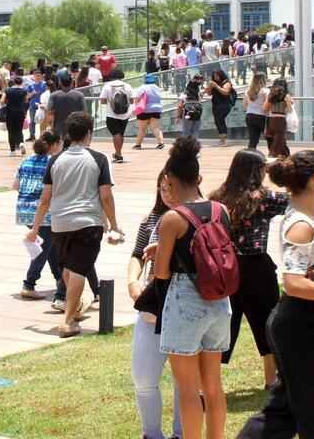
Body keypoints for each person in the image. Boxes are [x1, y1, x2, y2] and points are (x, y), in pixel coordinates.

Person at [237, 150, 314, 439]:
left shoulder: (309, 219)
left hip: (306, 322)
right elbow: (294, 283)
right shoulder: (301, 225)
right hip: (300, 323)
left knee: (287, 409)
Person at [152, 137, 229, 439]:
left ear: (169, 180)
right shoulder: (222, 210)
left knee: (187, 387)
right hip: (220, 300)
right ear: (198, 178)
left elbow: (161, 272)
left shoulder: (172, 218)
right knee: (213, 384)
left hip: (186, 297)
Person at [27, 112, 124, 336]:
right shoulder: (98, 159)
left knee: (70, 270)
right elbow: (106, 195)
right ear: (89, 133)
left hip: (60, 223)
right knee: (78, 270)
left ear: (68, 134)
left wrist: (35, 228)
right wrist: (114, 224)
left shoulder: (55, 160)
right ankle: (68, 320)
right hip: (88, 222)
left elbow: (45, 198)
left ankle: (75, 308)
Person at [209, 150, 286, 388]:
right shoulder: (264, 198)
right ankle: (270, 378)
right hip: (256, 266)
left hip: (224, 266)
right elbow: (293, 199)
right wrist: (278, 168)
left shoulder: (217, 197)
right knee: (266, 320)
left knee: (223, 322)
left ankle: (211, 380)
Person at [126, 170, 183, 439]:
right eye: (162, 188)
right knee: (144, 380)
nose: (167, 194)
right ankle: (151, 434)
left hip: (184, 309)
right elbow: (137, 254)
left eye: (171, 187)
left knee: (185, 381)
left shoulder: (192, 219)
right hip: (151, 308)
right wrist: (132, 282)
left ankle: (182, 434)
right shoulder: (150, 219)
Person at [17, 133, 63, 300]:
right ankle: (29, 283)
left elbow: (16, 185)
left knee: (50, 245)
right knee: (44, 248)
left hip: (24, 209)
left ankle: (60, 280)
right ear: (52, 146)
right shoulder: (52, 163)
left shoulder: (25, 160)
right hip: (42, 212)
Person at [44, 74, 84, 141]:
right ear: (71, 83)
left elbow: (49, 111)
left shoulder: (54, 95)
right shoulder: (79, 95)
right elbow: (84, 112)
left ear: (60, 83)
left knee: (60, 145)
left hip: (58, 126)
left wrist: (49, 124)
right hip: (75, 125)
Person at [133, 74, 165, 151]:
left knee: (142, 129)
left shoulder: (142, 88)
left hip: (144, 110)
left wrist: (136, 107)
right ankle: (161, 143)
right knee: (155, 127)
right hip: (156, 109)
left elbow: (137, 99)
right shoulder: (157, 88)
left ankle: (138, 145)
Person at [202, 70, 233, 147]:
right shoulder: (214, 83)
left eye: (217, 76)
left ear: (221, 75)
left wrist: (216, 86)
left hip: (224, 105)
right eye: (214, 76)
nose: (216, 77)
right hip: (216, 104)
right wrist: (209, 87)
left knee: (220, 120)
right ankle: (222, 139)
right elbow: (209, 93)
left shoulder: (226, 82)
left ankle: (224, 140)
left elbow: (225, 92)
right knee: (217, 121)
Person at [2, 76, 30, 156]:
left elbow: (2, 101)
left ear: (14, 82)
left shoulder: (7, 90)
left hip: (10, 112)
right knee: (19, 130)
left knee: (11, 131)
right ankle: (21, 143)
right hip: (20, 113)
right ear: (21, 83)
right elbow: (26, 101)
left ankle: (12, 151)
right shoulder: (24, 91)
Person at [263, 82, 291, 158]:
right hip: (281, 119)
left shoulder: (271, 97)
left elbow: (265, 109)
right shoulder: (286, 97)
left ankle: (275, 154)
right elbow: (289, 110)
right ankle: (278, 155)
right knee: (280, 139)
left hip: (271, 118)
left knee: (273, 138)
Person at [242, 72, 269, 151]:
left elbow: (244, 105)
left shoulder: (248, 91)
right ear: (264, 80)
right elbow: (266, 105)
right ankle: (271, 156)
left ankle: (250, 156)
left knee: (253, 140)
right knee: (269, 138)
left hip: (250, 116)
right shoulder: (265, 91)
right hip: (261, 116)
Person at [177, 75, 205, 140]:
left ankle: (186, 146)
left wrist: (178, 116)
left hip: (187, 115)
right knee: (195, 131)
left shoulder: (184, 94)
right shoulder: (198, 94)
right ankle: (194, 146)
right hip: (197, 114)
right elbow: (200, 103)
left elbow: (180, 106)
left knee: (186, 131)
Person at [25, 68, 48, 141]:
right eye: (36, 75)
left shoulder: (45, 84)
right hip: (32, 105)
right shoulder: (30, 85)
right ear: (33, 76)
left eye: (39, 75)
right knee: (32, 121)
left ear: (41, 76)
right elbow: (27, 96)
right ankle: (32, 135)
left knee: (43, 121)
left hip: (42, 105)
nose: (37, 77)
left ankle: (42, 136)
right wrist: (32, 93)